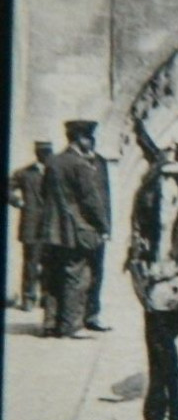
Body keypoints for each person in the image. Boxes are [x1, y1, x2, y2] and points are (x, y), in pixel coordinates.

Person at [40, 120, 111, 338]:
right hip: (76, 229)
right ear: (80, 139)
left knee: (53, 275)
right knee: (76, 275)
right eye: (89, 138)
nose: (91, 143)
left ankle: (51, 323)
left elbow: (44, 192)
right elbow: (91, 200)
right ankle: (71, 326)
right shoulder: (80, 165)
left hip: (52, 229)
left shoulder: (52, 161)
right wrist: (103, 225)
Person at [9, 140, 53, 311]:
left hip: (50, 225)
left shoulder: (54, 172)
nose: (45, 156)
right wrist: (17, 201)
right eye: (43, 152)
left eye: (48, 152)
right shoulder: (25, 173)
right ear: (37, 153)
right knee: (31, 263)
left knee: (50, 262)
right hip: (31, 225)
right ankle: (28, 297)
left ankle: (46, 297)